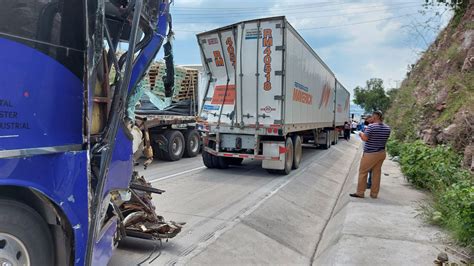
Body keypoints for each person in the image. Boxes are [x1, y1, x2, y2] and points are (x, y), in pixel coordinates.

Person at [350, 111, 391, 199]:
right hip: (381, 153)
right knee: (376, 173)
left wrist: (360, 134)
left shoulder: (371, 126)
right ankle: (374, 194)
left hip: (370, 153)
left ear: (375, 117)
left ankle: (360, 192)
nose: (371, 118)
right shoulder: (387, 128)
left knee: (363, 172)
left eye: (372, 117)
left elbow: (365, 138)